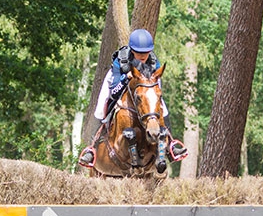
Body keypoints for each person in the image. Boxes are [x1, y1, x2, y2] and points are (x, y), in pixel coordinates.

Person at [79, 29, 187, 167]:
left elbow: (155, 84)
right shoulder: (121, 60)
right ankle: (91, 149)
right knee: (100, 108)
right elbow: (114, 90)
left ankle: (171, 145)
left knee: (162, 108)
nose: (143, 56)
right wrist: (126, 78)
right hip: (118, 84)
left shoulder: (154, 62)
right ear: (132, 50)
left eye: (146, 52)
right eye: (139, 52)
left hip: (144, 87)